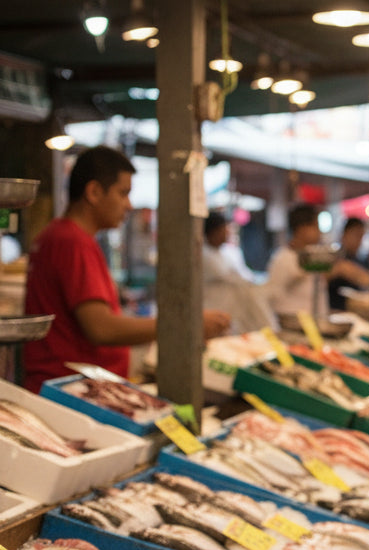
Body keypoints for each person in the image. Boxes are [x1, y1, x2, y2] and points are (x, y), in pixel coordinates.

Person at [22, 146, 230, 390]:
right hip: (70, 391)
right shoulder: (72, 242)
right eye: (123, 193)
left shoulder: (58, 235)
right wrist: (186, 324)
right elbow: (101, 328)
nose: (129, 205)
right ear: (94, 192)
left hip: (72, 386)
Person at [202, 212, 274, 334]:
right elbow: (231, 277)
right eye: (223, 229)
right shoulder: (204, 255)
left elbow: (243, 275)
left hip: (232, 312)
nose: (227, 233)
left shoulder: (228, 253)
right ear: (212, 232)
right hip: (213, 308)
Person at [327, 217, 369, 311]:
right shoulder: (333, 258)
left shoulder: (361, 260)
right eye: (356, 235)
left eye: (361, 236)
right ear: (344, 234)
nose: (359, 241)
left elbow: (368, 279)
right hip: (336, 311)